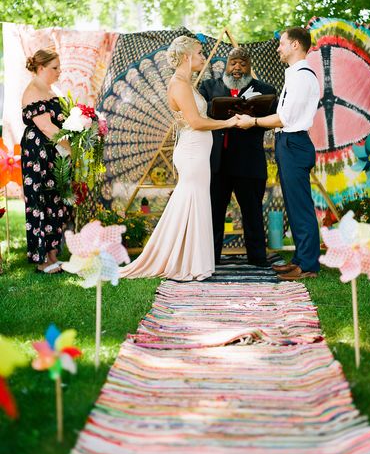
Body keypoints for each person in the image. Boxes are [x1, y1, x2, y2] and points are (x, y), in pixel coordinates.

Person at [120, 36, 237, 281]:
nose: (204, 57)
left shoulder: (186, 82)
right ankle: (186, 262)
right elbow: (195, 122)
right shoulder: (179, 84)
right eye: (200, 53)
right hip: (192, 151)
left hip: (198, 151)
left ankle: (191, 260)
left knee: (195, 202)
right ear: (186, 57)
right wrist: (228, 123)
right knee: (191, 201)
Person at [236, 27, 320, 281]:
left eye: (282, 44)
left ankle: (308, 266)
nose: (278, 48)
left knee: (301, 206)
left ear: (295, 45)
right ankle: (300, 259)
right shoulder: (294, 74)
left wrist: (254, 121)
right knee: (293, 206)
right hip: (288, 144)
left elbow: (284, 118)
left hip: (294, 143)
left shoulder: (303, 76)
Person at [199, 47, 277, 267]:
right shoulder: (209, 87)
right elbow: (198, 117)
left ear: (250, 66)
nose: (237, 68)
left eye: (243, 63)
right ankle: (209, 260)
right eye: (233, 63)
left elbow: (275, 117)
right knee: (214, 215)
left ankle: (258, 261)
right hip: (217, 164)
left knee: (252, 213)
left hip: (249, 163)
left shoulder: (265, 90)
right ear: (226, 64)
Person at [21, 49, 71, 274]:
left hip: (53, 151)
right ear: (41, 68)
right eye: (55, 68)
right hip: (38, 152)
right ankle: (42, 259)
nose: (59, 71)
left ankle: (52, 254)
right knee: (40, 200)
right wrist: (73, 148)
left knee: (55, 200)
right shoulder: (33, 91)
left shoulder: (50, 89)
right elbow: (46, 127)